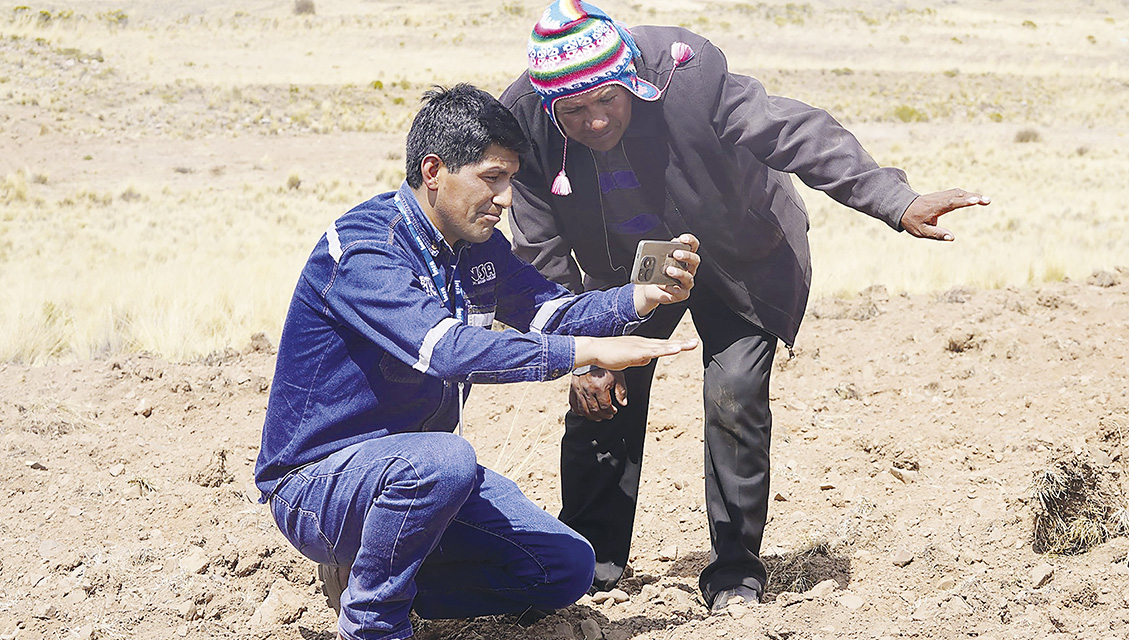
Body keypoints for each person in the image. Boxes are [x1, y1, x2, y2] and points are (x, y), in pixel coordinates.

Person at [499, 0, 991, 610]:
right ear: (550, 106)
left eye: (608, 100)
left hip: (737, 251)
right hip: (633, 269)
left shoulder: (690, 79)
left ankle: (735, 572)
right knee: (603, 393)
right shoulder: (524, 124)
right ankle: (591, 566)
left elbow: (795, 132)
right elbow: (539, 246)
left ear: (631, 81)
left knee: (734, 395)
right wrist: (579, 349)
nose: (595, 121)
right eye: (574, 111)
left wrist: (894, 199)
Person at [253, 83, 702, 640]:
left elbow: (550, 312)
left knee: (566, 568)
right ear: (435, 170)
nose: (506, 198)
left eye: (511, 180)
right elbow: (447, 351)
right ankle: (373, 622)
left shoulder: (476, 246)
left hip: (415, 476)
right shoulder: (365, 249)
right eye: (492, 178)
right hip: (320, 488)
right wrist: (584, 352)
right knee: (446, 461)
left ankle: (367, 575)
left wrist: (638, 298)